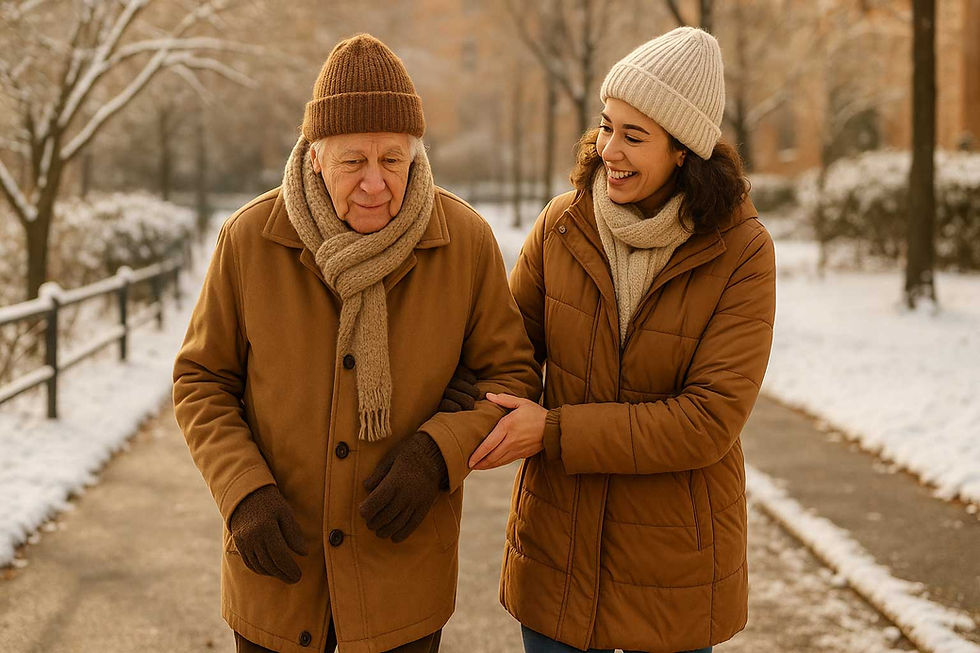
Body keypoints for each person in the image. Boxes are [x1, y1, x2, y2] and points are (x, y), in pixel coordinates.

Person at [173, 34, 540, 653]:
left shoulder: (467, 243)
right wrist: (243, 493)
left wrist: (436, 454)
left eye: (393, 160)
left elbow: (508, 380)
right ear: (315, 156)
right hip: (279, 573)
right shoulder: (249, 241)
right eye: (353, 162)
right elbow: (202, 382)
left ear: (417, 155)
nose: (375, 184)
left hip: (402, 578)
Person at [468, 27, 776, 653]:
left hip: (673, 574)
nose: (610, 148)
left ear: (684, 151)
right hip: (558, 552)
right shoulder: (563, 223)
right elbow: (507, 353)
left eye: (634, 136)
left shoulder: (742, 251)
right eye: (607, 126)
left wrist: (552, 431)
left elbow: (708, 419)